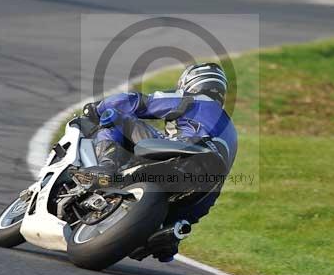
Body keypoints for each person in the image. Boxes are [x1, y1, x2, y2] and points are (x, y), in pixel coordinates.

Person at [73, 63, 238, 260]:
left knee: (114, 117)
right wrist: (186, 220)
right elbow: (216, 187)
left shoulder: (193, 100)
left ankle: (105, 167)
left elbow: (140, 103)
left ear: (190, 82)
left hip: (179, 157)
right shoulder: (232, 132)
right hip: (202, 189)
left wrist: (96, 108)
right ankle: (166, 233)